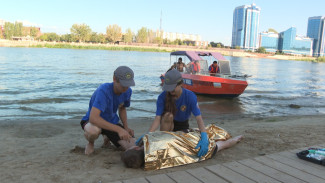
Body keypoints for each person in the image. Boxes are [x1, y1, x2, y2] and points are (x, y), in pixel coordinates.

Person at [136, 69, 209, 158]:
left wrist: (204, 136)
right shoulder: (162, 97)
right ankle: (163, 142)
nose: (170, 91)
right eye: (168, 88)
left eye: (172, 88)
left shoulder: (190, 96)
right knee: (168, 115)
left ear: (180, 84)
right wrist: (148, 134)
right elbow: (158, 119)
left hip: (183, 125)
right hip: (167, 125)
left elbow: (198, 118)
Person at [121, 124, 243, 170]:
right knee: (213, 139)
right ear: (136, 148)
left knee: (221, 146)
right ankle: (235, 139)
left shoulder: (153, 162)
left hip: (198, 151)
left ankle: (236, 139)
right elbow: (170, 136)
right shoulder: (151, 140)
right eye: (130, 147)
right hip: (195, 143)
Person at [80, 66, 136, 155]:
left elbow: (122, 108)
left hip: (111, 122)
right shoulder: (103, 90)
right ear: (114, 79)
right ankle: (91, 143)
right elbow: (93, 118)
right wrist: (119, 129)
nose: (126, 88)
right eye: (123, 85)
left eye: (128, 84)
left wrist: (125, 128)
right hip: (92, 122)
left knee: (132, 147)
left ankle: (107, 136)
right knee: (93, 131)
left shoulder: (128, 91)